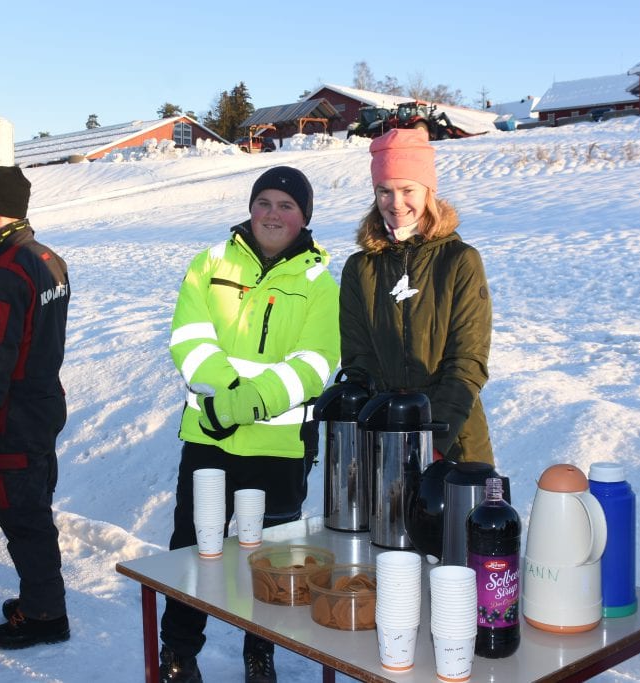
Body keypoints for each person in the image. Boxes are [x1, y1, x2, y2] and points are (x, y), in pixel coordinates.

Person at [160, 166, 339, 682]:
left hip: (280, 447)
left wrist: (239, 405)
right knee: (193, 546)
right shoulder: (210, 263)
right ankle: (179, 650)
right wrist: (224, 401)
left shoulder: (319, 282)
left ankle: (259, 651)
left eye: (286, 205)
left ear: (304, 215)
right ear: (250, 207)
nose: (272, 214)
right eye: (264, 201)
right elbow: (190, 341)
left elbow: (317, 364)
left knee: (274, 559)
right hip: (207, 442)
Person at [339, 128, 493, 463]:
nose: (396, 203)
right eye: (384, 191)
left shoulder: (460, 261)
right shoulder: (360, 268)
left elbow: (467, 363)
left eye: (408, 189)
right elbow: (357, 360)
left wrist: (433, 440)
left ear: (428, 191)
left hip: (454, 440)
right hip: (383, 440)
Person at [0, 166, 71, 650]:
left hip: (17, 410)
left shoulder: (7, 273)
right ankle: (40, 595)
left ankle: (45, 613)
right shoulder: (48, 258)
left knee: (22, 514)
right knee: (35, 504)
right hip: (45, 401)